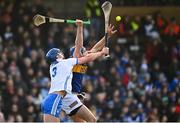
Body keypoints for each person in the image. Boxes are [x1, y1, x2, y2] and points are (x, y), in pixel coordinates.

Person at [41, 46, 109, 122]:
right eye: (60, 53)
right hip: (55, 99)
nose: (62, 54)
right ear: (57, 56)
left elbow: (92, 51)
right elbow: (88, 57)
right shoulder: (66, 62)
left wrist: (107, 37)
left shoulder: (52, 66)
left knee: (92, 120)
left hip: (66, 97)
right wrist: (102, 53)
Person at [68, 20, 116, 122]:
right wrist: (80, 28)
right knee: (93, 120)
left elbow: (96, 48)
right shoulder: (74, 61)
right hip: (71, 96)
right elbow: (78, 45)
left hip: (72, 98)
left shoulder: (84, 58)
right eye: (84, 51)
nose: (87, 51)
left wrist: (107, 36)